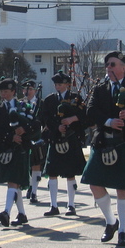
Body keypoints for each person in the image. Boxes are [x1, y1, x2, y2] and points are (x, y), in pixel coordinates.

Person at [81, 51, 125, 246]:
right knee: (94, 183)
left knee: (123, 187)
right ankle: (111, 222)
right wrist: (108, 121)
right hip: (103, 141)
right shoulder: (100, 88)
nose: (109, 68)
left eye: (113, 64)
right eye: (107, 65)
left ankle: (123, 231)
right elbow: (90, 110)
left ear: (123, 67)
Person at [40, 71, 87, 216]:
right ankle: (53, 205)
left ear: (67, 84)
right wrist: (56, 127)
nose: (57, 87)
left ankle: (71, 205)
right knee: (52, 173)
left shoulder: (75, 98)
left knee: (70, 173)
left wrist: (73, 119)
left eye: (60, 84)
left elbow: (85, 115)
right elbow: (45, 118)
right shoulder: (49, 100)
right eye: (56, 84)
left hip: (71, 138)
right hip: (55, 139)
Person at [0, 78, 32, 228]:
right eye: (1, 91)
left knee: (13, 181)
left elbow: (34, 124)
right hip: (4, 148)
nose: (3, 94)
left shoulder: (24, 107)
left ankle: (6, 212)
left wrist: (24, 132)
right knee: (13, 182)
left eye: (6, 91)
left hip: (20, 148)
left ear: (13, 92)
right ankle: (21, 214)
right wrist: (11, 137)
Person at [22, 80, 44, 204]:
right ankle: (30, 186)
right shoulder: (20, 103)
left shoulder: (41, 103)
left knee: (36, 165)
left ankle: (34, 192)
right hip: (24, 137)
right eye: (26, 89)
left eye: (30, 89)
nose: (28, 91)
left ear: (35, 90)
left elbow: (45, 120)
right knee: (26, 165)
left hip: (37, 137)